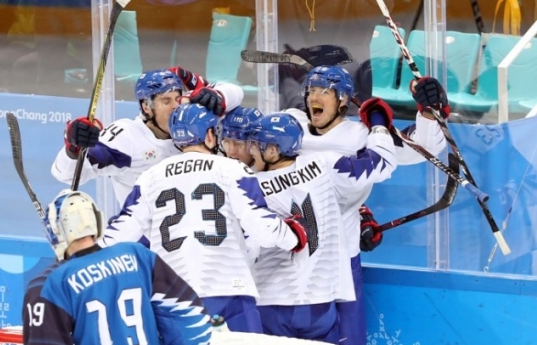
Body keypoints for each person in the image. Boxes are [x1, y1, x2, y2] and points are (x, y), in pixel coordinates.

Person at [218, 65, 447, 345]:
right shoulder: (290, 123)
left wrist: (428, 112)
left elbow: (423, 147)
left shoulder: (360, 135)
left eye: (324, 91)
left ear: (342, 100)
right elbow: (244, 139)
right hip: (279, 260)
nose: (315, 96)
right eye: (311, 90)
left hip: (337, 258)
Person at [99, 103, 309, 334]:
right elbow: (262, 227)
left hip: (171, 297)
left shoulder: (150, 177)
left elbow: (122, 231)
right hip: (229, 291)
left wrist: (80, 255)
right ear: (210, 135)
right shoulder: (232, 170)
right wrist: (292, 237)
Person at [247, 109, 396, 344]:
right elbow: (381, 163)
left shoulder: (249, 186)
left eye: (255, 144)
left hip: (273, 301)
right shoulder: (325, 164)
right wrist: (378, 126)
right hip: (322, 302)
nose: (250, 150)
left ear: (273, 151)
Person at [23, 189, 212, 345]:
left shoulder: (48, 285)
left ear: (54, 231)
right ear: (96, 220)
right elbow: (191, 316)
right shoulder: (138, 255)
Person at [51, 68, 243, 206]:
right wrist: (73, 148)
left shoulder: (193, 120)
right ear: (146, 107)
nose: (175, 107)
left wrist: (217, 94)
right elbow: (65, 175)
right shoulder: (127, 139)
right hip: (146, 249)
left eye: (177, 99)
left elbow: (236, 93)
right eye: (165, 101)